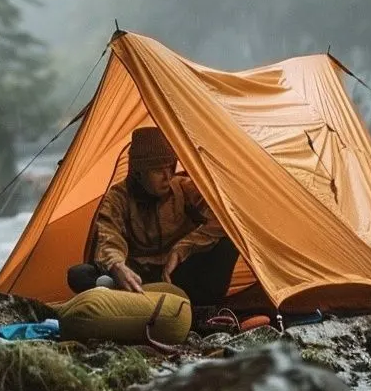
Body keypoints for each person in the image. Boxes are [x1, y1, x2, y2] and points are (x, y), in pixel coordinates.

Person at [66, 126, 240, 306]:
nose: (167, 176)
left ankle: (199, 307)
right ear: (139, 173)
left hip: (176, 274)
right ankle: (133, 295)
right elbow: (109, 237)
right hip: (138, 276)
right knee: (79, 274)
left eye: (170, 167)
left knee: (228, 243)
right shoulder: (118, 198)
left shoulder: (182, 188)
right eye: (158, 170)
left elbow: (226, 218)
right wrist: (117, 266)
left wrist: (181, 249)